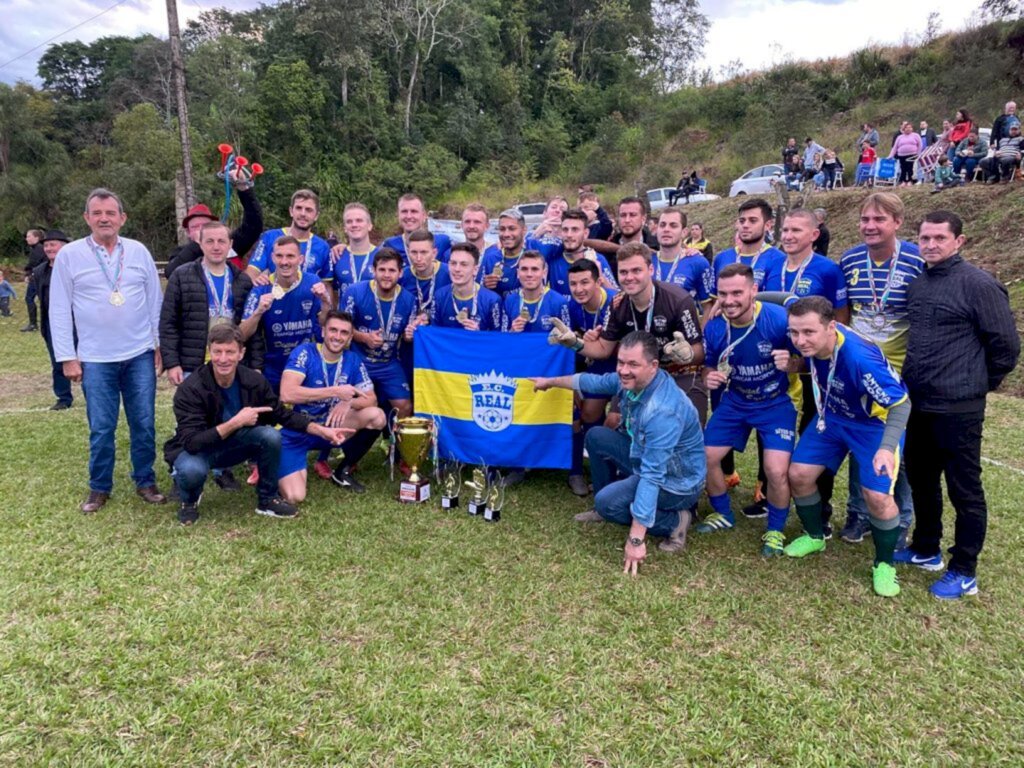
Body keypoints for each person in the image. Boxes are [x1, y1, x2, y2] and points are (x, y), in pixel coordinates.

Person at [898, 211, 1020, 599]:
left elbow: (1005, 346)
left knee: (963, 488)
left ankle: (964, 568)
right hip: (918, 402)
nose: (930, 245)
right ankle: (926, 547)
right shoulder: (917, 284)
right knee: (920, 478)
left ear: (959, 241)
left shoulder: (980, 285)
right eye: (924, 238)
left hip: (959, 406)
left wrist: (978, 384)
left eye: (939, 238)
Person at [532, 331, 706, 567]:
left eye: (633, 364)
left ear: (653, 366)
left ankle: (675, 521)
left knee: (608, 503)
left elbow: (652, 476)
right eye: (621, 362)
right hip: (644, 458)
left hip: (676, 482)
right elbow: (591, 381)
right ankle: (603, 509)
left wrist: (636, 540)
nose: (624, 370)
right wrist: (549, 382)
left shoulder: (663, 411)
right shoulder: (634, 380)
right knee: (596, 436)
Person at [781, 297, 911, 598]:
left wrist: (886, 447)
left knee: (877, 496)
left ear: (832, 327)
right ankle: (815, 535)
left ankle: (884, 564)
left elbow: (901, 404)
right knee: (799, 475)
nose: (800, 340)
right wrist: (794, 363)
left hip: (873, 427)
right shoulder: (812, 343)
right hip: (833, 416)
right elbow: (781, 299)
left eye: (809, 333)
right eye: (794, 333)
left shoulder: (860, 358)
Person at [49, 188, 166, 513]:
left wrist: (158, 345)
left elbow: (154, 301)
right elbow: (58, 309)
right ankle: (99, 487)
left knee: (143, 422)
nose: (104, 219)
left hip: (139, 353)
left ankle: (145, 480)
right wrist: (67, 357)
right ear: (87, 218)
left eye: (110, 213)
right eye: (97, 213)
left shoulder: (138, 251)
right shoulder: (70, 256)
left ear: (122, 218)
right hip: (95, 358)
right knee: (102, 426)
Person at [164, 323, 351, 525]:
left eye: (230, 352)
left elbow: (281, 414)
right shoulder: (191, 388)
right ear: (209, 352)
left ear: (241, 353)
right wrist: (236, 422)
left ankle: (267, 500)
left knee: (270, 436)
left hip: (232, 445)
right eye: (217, 352)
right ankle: (189, 501)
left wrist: (321, 431)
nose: (223, 359)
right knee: (192, 471)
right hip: (198, 450)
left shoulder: (253, 380)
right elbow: (192, 442)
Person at [836, 192, 923, 545]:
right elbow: (845, 313)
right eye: (865, 219)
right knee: (861, 438)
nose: (870, 226)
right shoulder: (850, 258)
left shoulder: (917, 259)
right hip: (859, 365)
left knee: (896, 445)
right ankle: (859, 514)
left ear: (897, 223)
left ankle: (901, 519)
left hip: (901, 368)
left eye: (879, 219)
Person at [698, 264, 798, 554]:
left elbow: (807, 358)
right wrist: (709, 376)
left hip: (775, 403)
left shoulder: (778, 320)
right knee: (705, 456)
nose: (729, 301)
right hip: (736, 400)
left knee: (776, 471)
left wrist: (791, 363)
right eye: (723, 294)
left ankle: (776, 531)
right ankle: (723, 514)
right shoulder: (716, 326)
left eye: (737, 293)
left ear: (754, 291)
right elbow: (709, 364)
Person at [550, 242, 707, 423]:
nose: (629, 277)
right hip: (637, 376)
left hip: (679, 375)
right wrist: (574, 343)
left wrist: (687, 354)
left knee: (684, 433)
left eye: (636, 271)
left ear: (650, 270)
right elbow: (603, 349)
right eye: (623, 272)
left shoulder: (678, 300)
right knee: (613, 422)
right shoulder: (618, 304)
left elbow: (699, 352)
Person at [159, 221, 258, 492]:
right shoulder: (182, 275)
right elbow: (168, 322)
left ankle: (222, 469)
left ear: (230, 246)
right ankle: (182, 472)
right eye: (210, 241)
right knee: (191, 421)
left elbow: (253, 327)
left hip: (228, 364)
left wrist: (255, 365)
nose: (216, 246)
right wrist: (172, 362)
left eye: (221, 241)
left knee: (226, 415)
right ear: (200, 244)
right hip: (193, 361)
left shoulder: (242, 279)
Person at [278, 310, 388, 499]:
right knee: (295, 497)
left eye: (344, 333)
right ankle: (275, 465)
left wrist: (350, 402)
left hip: (330, 429)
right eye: (333, 330)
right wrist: (335, 392)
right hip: (299, 430)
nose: (337, 337)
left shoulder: (352, 360)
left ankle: (343, 470)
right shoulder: (305, 352)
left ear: (350, 337)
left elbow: (371, 399)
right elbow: (287, 394)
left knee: (377, 416)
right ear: (323, 332)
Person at [240, 236, 332, 393]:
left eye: (290, 256)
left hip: (305, 364)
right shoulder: (261, 288)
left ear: (300, 259)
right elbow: (241, 334)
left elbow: (324, 323)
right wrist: (258, 312)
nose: (284, 262)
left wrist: (325, 302)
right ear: (272, 258)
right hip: (272, 367)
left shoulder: (312, 282)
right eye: (279, 256)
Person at [341, 248, 417, 418]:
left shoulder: (409, 300)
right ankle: (349, 437)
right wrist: (364, 337)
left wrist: (410, 335)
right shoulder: (355, 292)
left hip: (388, 362)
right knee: (359, 402)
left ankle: (392, 442)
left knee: (404, 406)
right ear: (373, 270)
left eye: (392, 270)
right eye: (382, 270)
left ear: (400, 273)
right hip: (357, 359)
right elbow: (342, 328)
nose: (386, 275)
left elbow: (407, 336)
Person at [565, 259, 617, 496]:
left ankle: (618, 474)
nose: (579, 289)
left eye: (585, 282)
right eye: (573, 283)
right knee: (588, 415)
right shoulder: (572, 306)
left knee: (617, 421)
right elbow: (573, 339)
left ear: (599, 282)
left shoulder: (617, 301)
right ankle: (597, 472)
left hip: (621, 367)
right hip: (596, 364)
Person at [163, 170, 263, 277]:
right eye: (195, 227)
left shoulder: (230, 245)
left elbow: (254, 224)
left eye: (205, 225)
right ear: (188, 232)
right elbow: (170, 273)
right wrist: (197, 245)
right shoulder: (182, 253)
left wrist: (243, 188)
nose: (201, 230)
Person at [246, 189, 333, 289]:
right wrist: (259, 279)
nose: (303, 214)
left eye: (308, 210)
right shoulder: (269, 237)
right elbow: (252, 270)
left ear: (316, 216)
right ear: (291, 211)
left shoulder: (323, 247)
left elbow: (327, 284)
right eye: (299, 208)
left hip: (306, 302)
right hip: (273, 300)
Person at [32, 229, 75, 410]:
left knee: (88, 360)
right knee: (58, 361)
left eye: (53, 245)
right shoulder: (39, 271)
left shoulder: (74, 267)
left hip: (77, 321)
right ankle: (63, 397)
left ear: (64, 247)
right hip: (52, 322)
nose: (49, 248)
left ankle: (93, 393)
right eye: (47, 245)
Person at [710, 198, 786, 294]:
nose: (745, 225)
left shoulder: (778, 259)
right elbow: (714, 300)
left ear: (767, 225)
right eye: (742, 221)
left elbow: (772, 302)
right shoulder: (722, 258)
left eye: (753, 221)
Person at [425, 242, 503, 330]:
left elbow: (498, 339)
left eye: (464, 264)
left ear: (475, 270)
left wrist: (479, 334)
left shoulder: (492, 300)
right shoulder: (440, 296)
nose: (457, 269)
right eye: (453, 263)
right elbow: (434, 334)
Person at [546, 209, 617, 296]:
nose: (569, 234)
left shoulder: (598, 259)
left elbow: (616, 296)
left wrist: (599, 275)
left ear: (586, 233)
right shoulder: (552, 259)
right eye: (565, 229)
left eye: (575, 230)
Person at [652, 207, 711, 310]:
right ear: (657, 230)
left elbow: (709, 306)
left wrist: (701, 326)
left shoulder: (698, 263)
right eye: (662, 225)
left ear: (684, 232)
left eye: (673, 225)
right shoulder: (646, 261)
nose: (666, 229)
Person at [501, 251, 570, 334]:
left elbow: (568, 340)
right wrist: (512, 332)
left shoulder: (559, 302)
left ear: (544, 273)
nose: (529, 274)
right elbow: (503, 339)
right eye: (524, 269)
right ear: (518, 273)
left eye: (535, 269)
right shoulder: (510, 300)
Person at [585, 197, 659, 271]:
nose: (627, 220)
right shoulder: (605, 253)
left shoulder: (658, 247)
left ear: (643, 219)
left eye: (632, 215)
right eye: (623, 215)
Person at [383, 193, 453, 264]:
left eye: (414, 211)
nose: (409, 216)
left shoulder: (443, 242)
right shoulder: (390, 245)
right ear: (398, 215)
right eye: (404, 211)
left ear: (424, 215)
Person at [330, 202, 380, 294]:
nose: (354, 225)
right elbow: (333, 293)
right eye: (349, 221)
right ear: (345, 228)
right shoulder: (336, 256)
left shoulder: (381, 256)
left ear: (369, 226)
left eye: (359, 220)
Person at [399, 229, 451, 315]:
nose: (418, 258)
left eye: (424, 252)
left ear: (434, 253)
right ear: (408, 253)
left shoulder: (449, 273)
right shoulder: (402, 276)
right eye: (414, 252)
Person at [479, 208, 528, 296]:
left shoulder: (534, 255)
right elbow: (477, 292)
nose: (506, 234)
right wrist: (485, 286)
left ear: (524, 230)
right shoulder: (490, 257)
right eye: (502, 229)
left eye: (512, 229)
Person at [21, 228, 45, 332]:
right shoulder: (37, 249)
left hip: (37, 278)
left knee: (29, 298)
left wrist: (28, 273)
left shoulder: (38, 249)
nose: (27, 239)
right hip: (38, 277)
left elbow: (33, 264)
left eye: (29, 236)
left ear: (36, 237)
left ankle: (33, 324)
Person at [889, 122, 923, 187]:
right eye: (906, 128)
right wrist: (891, 155)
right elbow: (895, 147)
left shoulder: (916, 135)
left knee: (910, 168)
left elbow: (920, 145)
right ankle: (904, 181)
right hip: (902, 155)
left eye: (910, 127)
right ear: (904, 129)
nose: (908, 129)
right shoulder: (899, 137)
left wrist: (918, 154)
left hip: (912, 154)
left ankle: (910, 181)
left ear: (912, 128)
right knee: (903, 168)